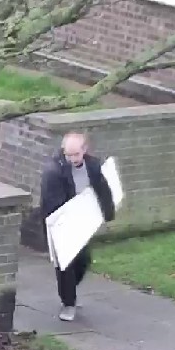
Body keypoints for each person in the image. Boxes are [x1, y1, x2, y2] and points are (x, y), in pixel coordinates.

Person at [40, 132, 116, 321]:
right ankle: (68, 303)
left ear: (84, 150)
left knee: (83, 261)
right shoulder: (54, 171)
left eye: (76, 154)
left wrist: (108, 214)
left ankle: (70, 292)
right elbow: (51, 202)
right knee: (65, 265)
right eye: (68, 154)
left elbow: (102, 189)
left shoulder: (93, 166)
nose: (72, 159)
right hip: (61, 223)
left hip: (81, 222)